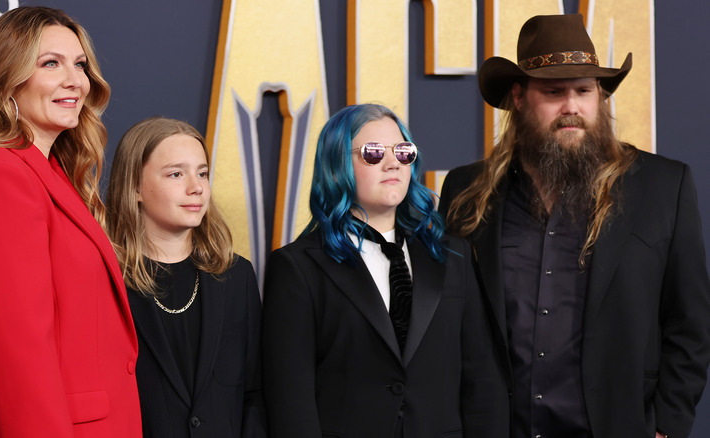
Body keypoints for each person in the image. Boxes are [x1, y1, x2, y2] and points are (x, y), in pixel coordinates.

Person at [439, 14, 710, 438]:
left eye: (584, 91)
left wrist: (667, 426)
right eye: (553, 91)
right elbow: (444, 325)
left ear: (599, 97)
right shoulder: (466, 191)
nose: (572, 107)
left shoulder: (662, 187)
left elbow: (689, 323)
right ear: (519, 98)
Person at [0, 6, 142, 437]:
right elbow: (19, 356)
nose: (76, 80)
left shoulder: (49, 176)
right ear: (6, 78)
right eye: (51, 63)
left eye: (80, 64)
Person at [262, 103, 506, 438]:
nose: (393, 163)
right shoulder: (297, 267)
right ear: (337, 165)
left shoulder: (453, 256)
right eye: (373, 153)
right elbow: (291, 401)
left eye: (403, 152)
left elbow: (483, 382)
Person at [106, 116, 266, 438]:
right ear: (135, 187)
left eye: (203, 173)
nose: (196, 187)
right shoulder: (106, 279)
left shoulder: (236, 276)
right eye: (176, 174)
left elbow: (255, 393)